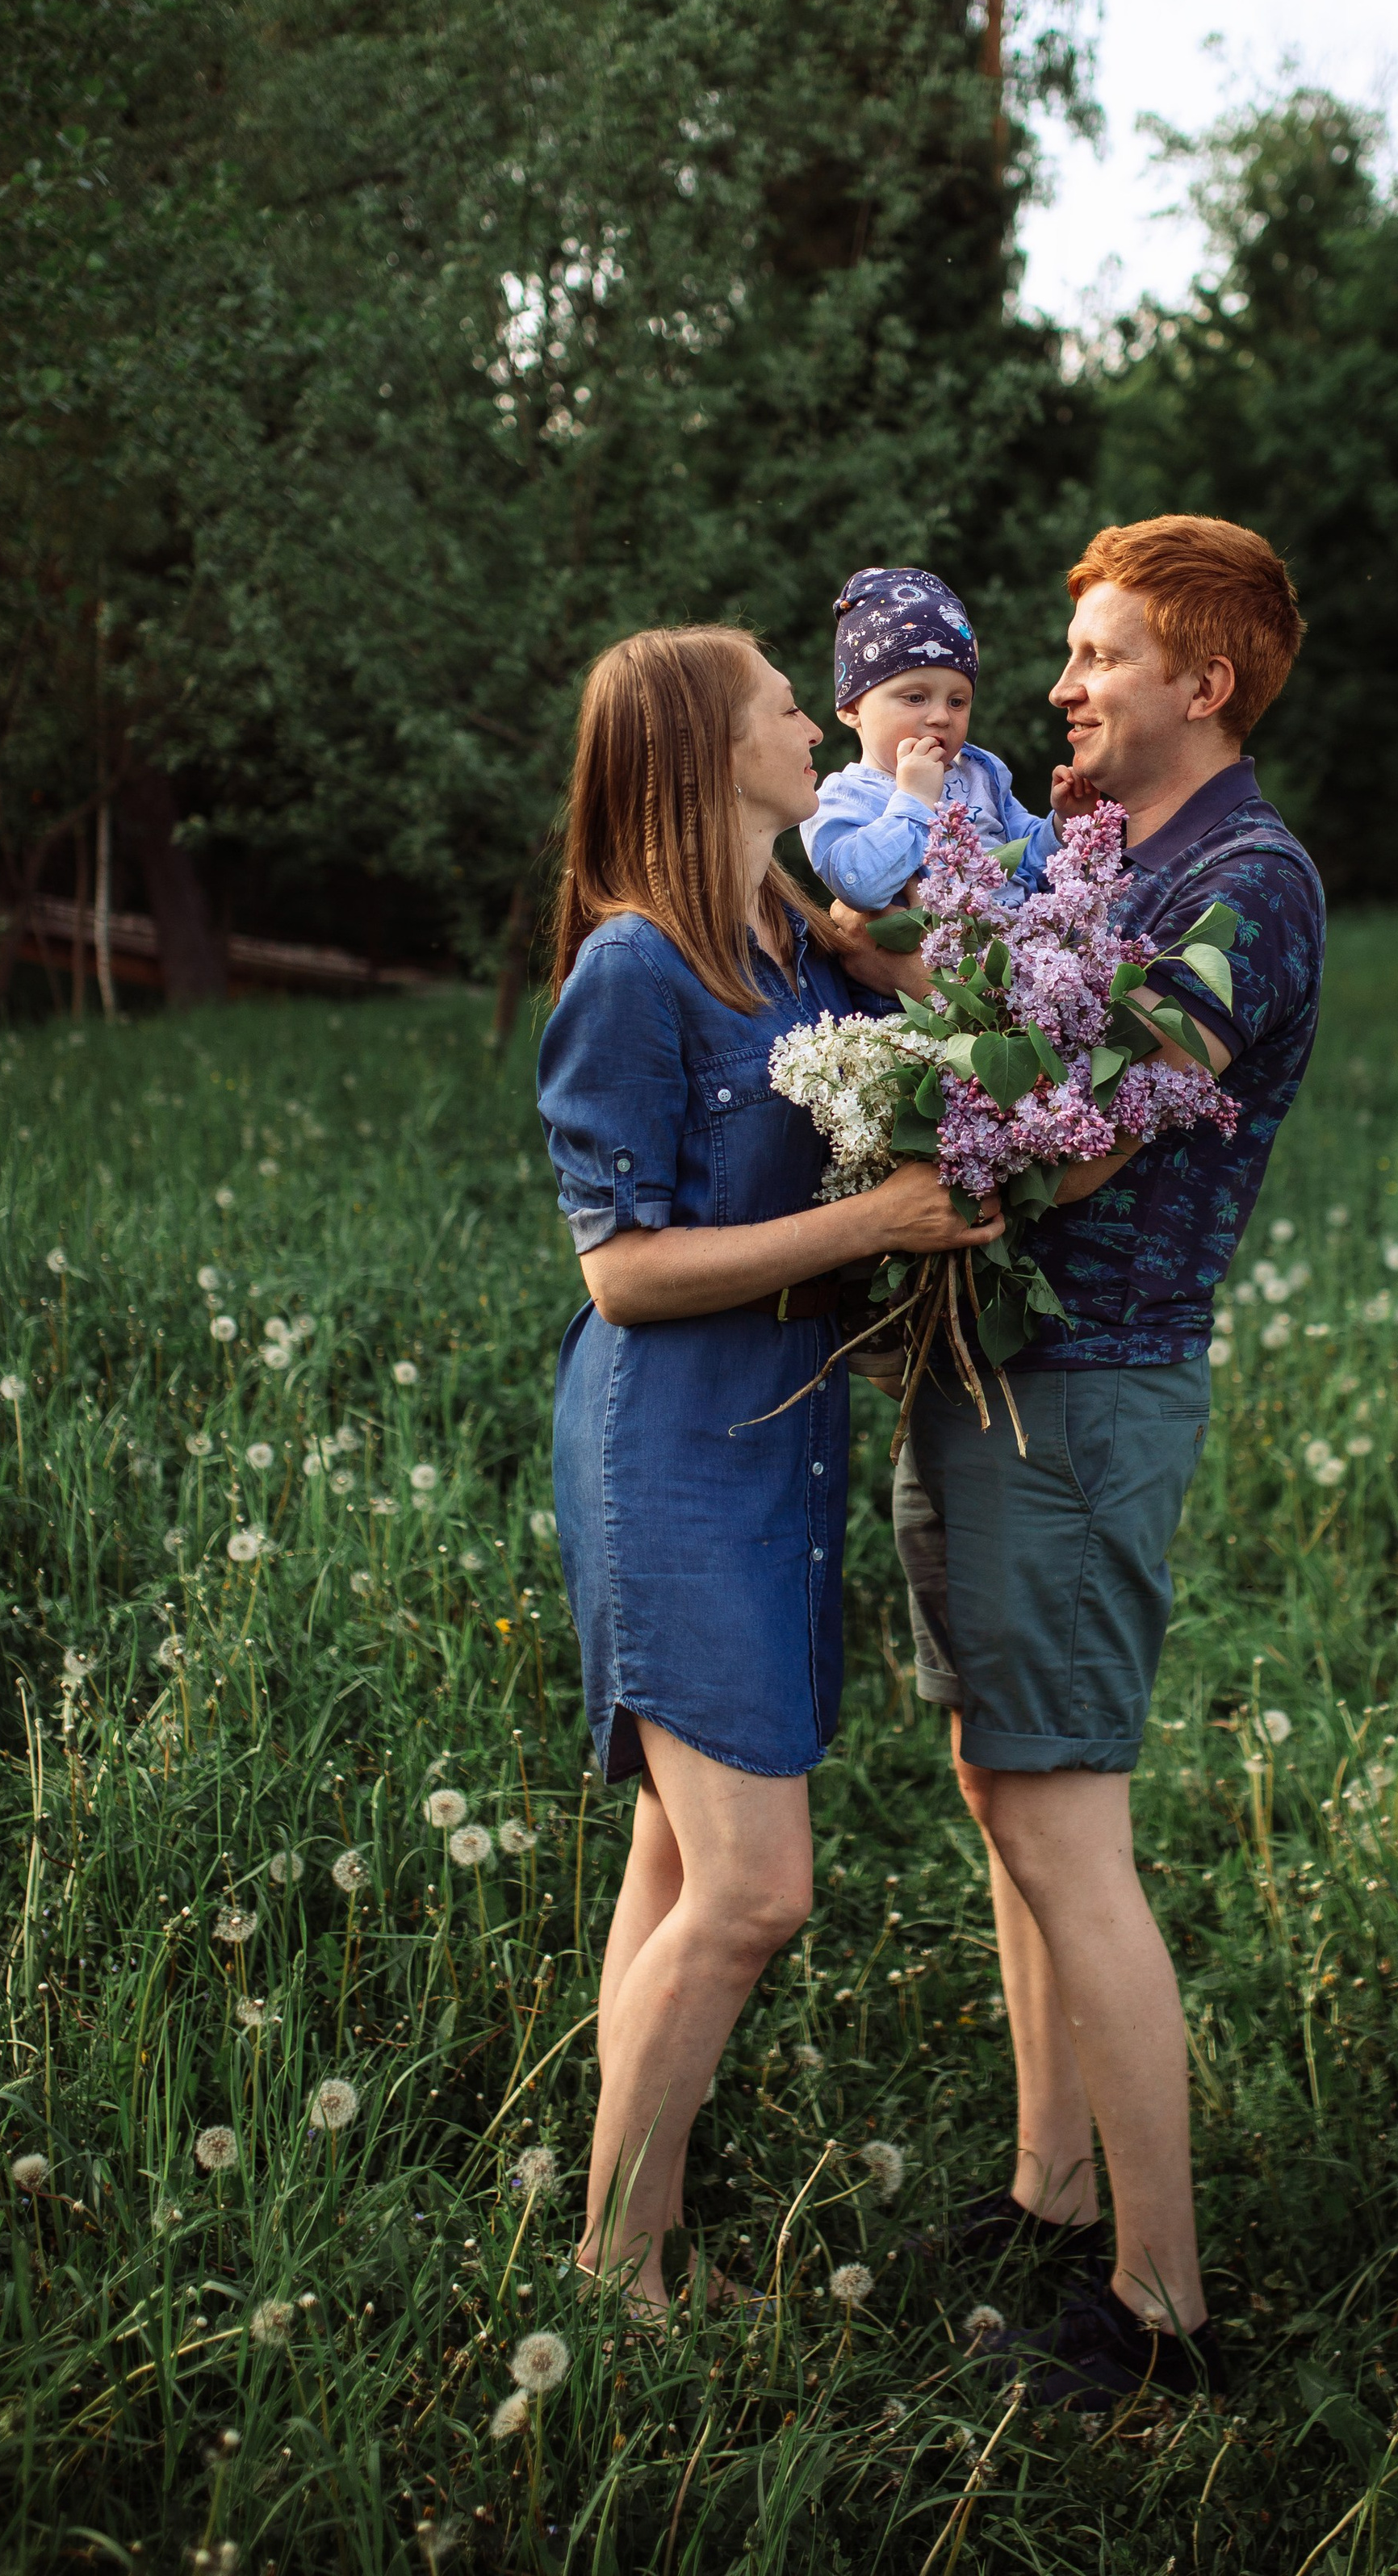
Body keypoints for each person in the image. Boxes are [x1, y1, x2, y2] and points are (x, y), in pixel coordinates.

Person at [848, 515, 1324, 2407]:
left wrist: (859, 1177)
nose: (1057, 687)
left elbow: (1088, 1138)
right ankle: (1051, 2197)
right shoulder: (1110, 856)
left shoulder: (1243, 877)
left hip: (1088, 1383)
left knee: (1068, 1826)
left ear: (1198, 682)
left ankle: (1159, 2306)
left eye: (1100, 656)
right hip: (1005, 1365)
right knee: (1001, 1791)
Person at [535, 623, 1002, 2309]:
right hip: (666, 1441)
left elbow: (941, 1045)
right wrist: (872, 1219)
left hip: (784, 1429)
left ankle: (641, 2251)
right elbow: (619, 1269)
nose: (820, 727)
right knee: (750, 1891)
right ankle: (606, 2267)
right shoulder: (635, 970)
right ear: (698, 753)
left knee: (674, 1866)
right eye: (786, 711)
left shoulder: (797, 955)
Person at [802, 564, 1090, 910]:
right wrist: (915, 800)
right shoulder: (841, 799)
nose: (940, 717)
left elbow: (1025, 861)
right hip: (939, 958)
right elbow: (859, 887)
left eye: (957, 701)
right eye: (915, 697)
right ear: (852, 708)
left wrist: (1063, 824)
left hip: (1022, 951)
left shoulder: (981, 771)